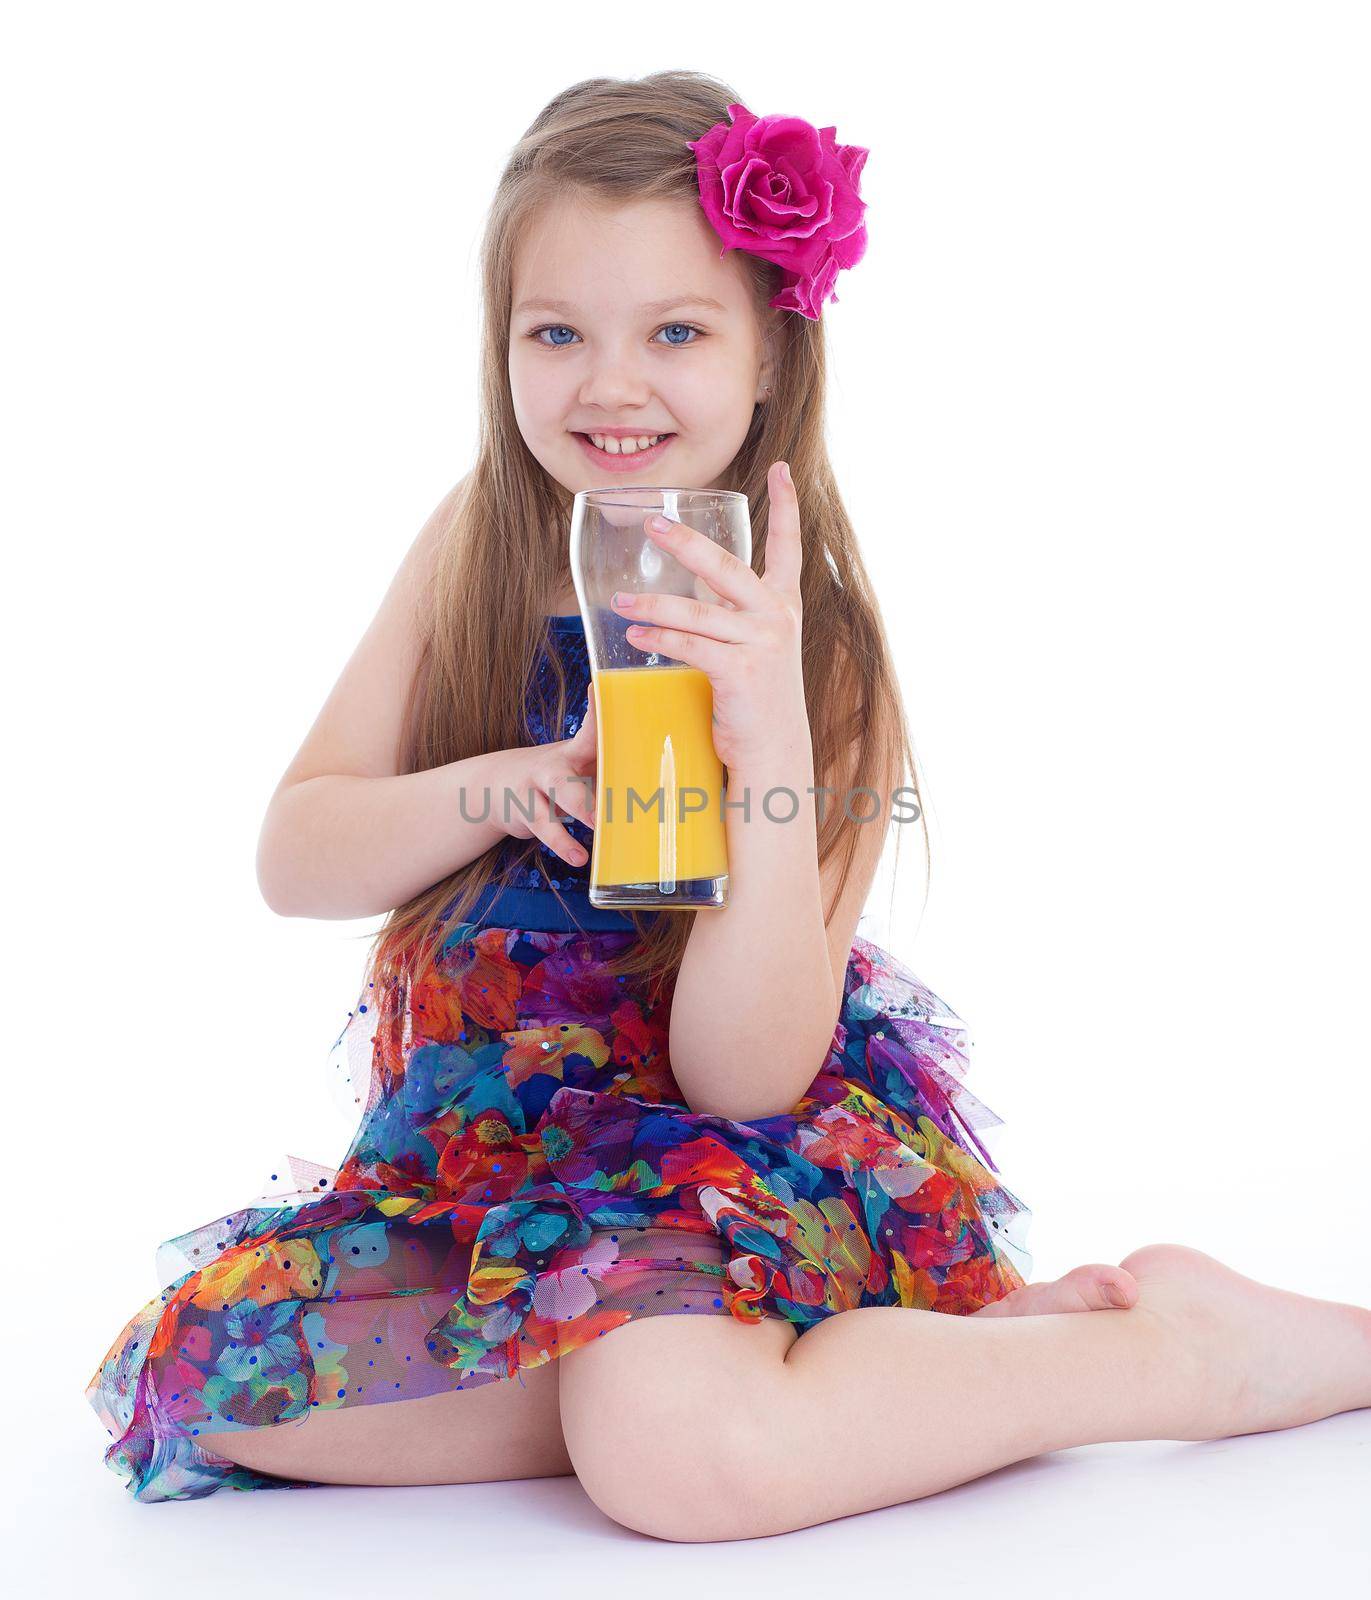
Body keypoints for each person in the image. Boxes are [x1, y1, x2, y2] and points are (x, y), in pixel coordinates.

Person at [85, 70, 1369, 1535]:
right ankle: (858, 1375)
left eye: (677, 332)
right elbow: (295, 854)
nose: (610, 385)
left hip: (724, 1167)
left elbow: (741, 1074)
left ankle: (1162, 1357)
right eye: (556, 333)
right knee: (212, 1382)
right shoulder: (477, 542)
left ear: (771, 356)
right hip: (490, 1173)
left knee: (677, 1462)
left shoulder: (815, 651)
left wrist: (761, 744)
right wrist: (505, 783)